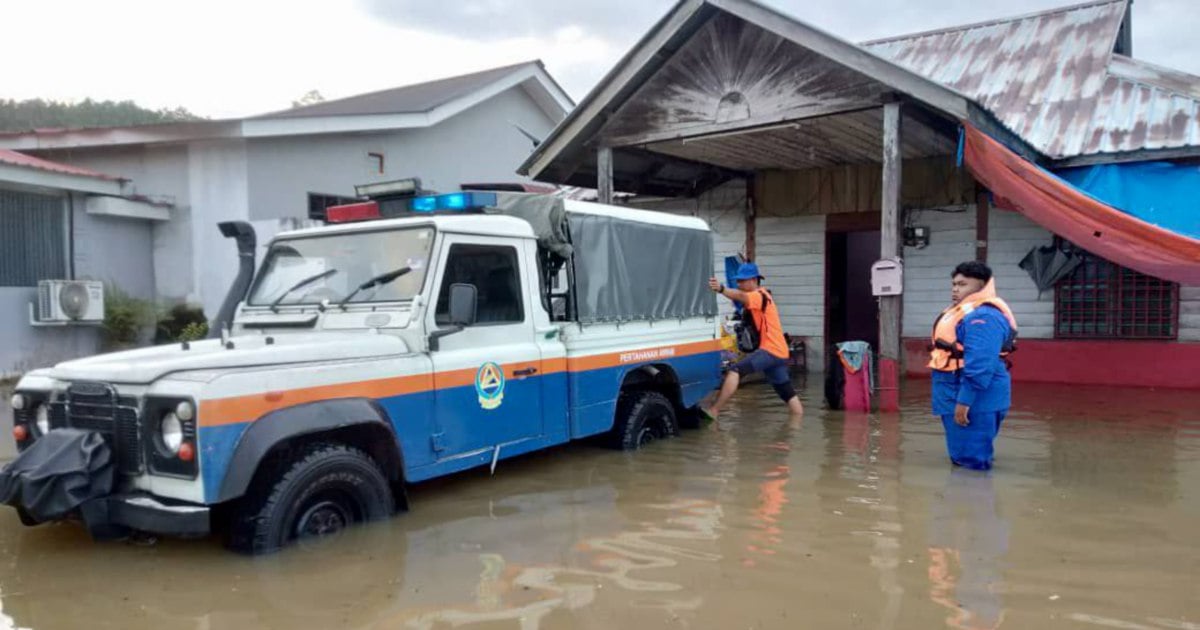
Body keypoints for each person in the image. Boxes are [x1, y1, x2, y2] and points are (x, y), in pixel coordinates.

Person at [929, 261, 1018, 470]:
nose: (955, 289)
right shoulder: (965, 312)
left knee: (971, 463)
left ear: (981, 286)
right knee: (965, 455)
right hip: (954, 389)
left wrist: (964, 401)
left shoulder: (983, 316)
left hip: (973, 397)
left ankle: (972, 499)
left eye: (962, 284)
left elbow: (980, 364)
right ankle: (968, 497)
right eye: (954, 284)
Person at [702, 262, 804, 419]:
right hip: (780, 353)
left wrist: (721, 289)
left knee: (735, 370)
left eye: (742, 280)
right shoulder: (763, 297)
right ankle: (797, 424)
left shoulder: (758, 295)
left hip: (771, 351)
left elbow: (741, 296)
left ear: (754, 280)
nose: (739, 284)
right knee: (787, 393)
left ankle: (714, 410)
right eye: (738, 281)